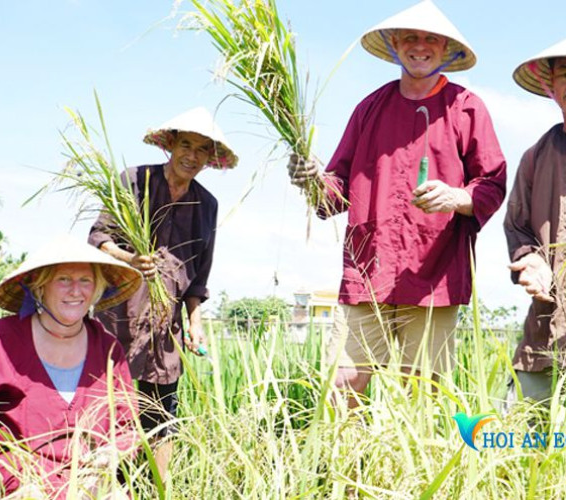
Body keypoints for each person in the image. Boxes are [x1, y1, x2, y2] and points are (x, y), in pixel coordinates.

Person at [288, 0, 506, 406]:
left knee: (420, 397)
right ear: (395, 45)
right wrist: (312, 180)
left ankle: (409, 472)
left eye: (430, 40)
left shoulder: (465, 107)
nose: (420, 46)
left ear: (446, 49)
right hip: (368, 270)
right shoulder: (369, 108)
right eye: (411, 37)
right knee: (342, 386)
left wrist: (458, 197)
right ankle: (341, 467)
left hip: (434, 274)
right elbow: (336, 192)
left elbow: (492, 183)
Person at [88, 106, 238, 478]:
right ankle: (102, 483)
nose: (192, 155)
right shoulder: (134, 180)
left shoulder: (207, 205)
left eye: (202, 149)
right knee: (108, 403)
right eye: (186, 144)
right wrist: (129, 258)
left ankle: (158, 488)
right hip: (118, 312)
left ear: (209, 157)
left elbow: (199, 273)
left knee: (162, 411)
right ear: (170, 144)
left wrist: (195, 320)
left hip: (165, 321)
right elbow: (98, 237)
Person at [0, 233, 142, 499]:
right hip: (18, 480)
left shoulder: (107, 348)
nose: (75, 290)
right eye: (63, 280)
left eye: (85, 280)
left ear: (96, 288)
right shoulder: (2, 339)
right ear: (41, 286)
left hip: (89, 480)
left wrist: (112, 453)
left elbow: (127, 424)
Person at [504, 39, 566, 404]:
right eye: (564, 75)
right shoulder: (536, 156)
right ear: (552, 86)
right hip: (546, 330)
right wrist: (531, 259)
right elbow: (518, 227)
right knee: (519, 439)